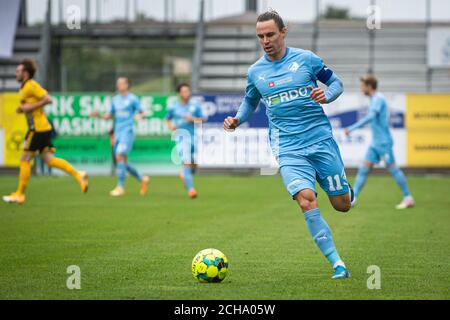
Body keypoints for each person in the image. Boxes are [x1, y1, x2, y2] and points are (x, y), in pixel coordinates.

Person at [223, 10, 353, 279]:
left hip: (319, 140)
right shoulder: (256, 72)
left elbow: (336, 83)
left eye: (270, 34)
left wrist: (326, 95)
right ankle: (337, 264)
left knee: (342, 205)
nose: (265, 40)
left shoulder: (306, 59)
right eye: (260, 36)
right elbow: (250, 101)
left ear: (283, 32)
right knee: (306, 201)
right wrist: (238, 118)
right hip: (287, 147)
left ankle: (345, 189)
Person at [3, 59, 88, 204]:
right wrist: (23, 108)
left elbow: (48, 99)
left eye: (18, 71)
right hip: (43, 128)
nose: (16, 73)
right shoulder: (24, 88)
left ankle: (20, 194)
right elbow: (29, 106)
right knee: (49, 160)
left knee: (25, 159)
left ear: (26, 73)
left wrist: (28, 108)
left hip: (37, 129)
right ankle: (78, 174)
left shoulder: (31, 85)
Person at [344, 75, 414, 209]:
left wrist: (352, 128)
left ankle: (408, 197)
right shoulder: (373, 99)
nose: (361, 88)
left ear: (369, 86)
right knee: (364, 169)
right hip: (375, 143)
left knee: (393, 169)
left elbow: (370, 117)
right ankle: (353, 199)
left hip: (383, 143)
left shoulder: (378, 99)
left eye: (363, 85)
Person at [91, 77, 149, 196]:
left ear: (127, 85)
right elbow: (110, 115)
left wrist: (139, 116)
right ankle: (141, 179)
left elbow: (142, 113)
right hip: (117, 132)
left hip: (128, 131)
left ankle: (120, 187)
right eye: (118, 83)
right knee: (122, 162)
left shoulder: (133, 98)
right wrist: (99, 115)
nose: (120, 85)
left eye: (122, 83)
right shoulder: (115, 99)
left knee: (119, 155)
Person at [165, 83, 205, 199]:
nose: (186, 93)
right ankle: (191, 190)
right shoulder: (173, 107)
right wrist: (171, 126)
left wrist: (193, 119)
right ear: (179, 93)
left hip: (193, 137)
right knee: (186, 162)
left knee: (193, 164)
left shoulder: (195, 106)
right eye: (183, 91)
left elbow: (203, 119)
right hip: (181, 137)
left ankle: (185, 175)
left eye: (187, 91)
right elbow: (167, 119)